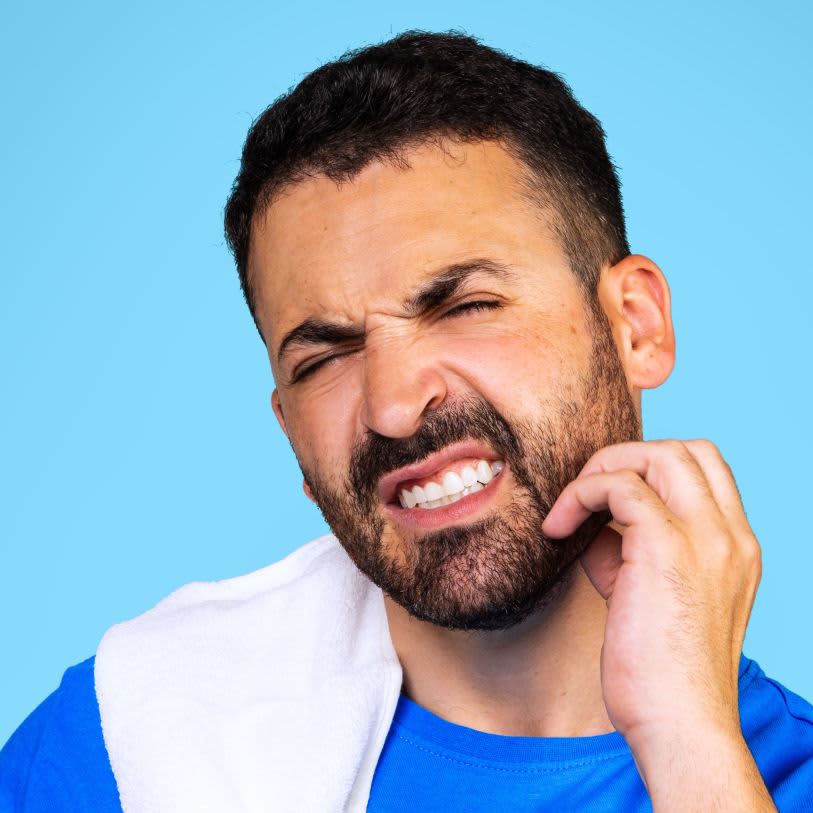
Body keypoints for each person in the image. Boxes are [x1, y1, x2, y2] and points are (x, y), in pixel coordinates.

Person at [1, 29, 811, 813]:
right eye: (322, 359)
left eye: (465, 304)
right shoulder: (121, 742)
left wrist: (690, 747)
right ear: (288, 428)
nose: (391, 406)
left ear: (634, 325)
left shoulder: (778, 773)